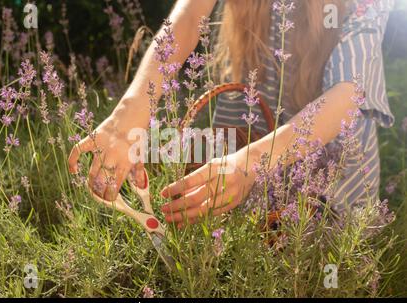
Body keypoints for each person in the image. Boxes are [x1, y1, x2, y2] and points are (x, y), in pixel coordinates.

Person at [68, 0, 394, 228]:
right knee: (162, 153)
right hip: (239, 154)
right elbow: (188, 16)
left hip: (324, 189)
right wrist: (126, 121)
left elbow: (349, 93)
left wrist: (252, 164)